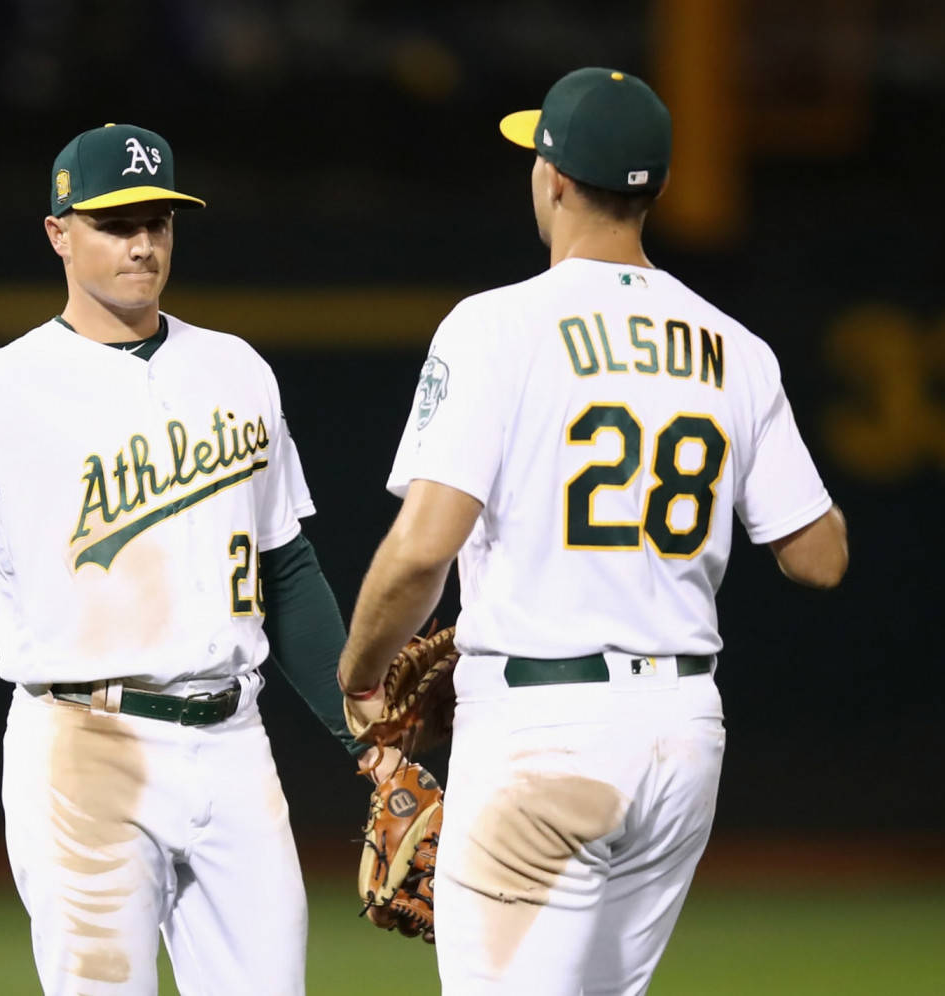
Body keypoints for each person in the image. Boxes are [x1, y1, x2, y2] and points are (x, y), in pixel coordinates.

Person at [0, 122, 383, 996]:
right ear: (58, 232)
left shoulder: (237, 369)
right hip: (84, 745)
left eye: (158, 221)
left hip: (236, 742)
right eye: (115, 223)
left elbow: (288, 569)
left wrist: (367, 737)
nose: (142, 243)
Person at [337, 68, 849, 994]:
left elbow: (422, 547)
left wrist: (362, 673)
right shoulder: (735, 347)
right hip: (683, 739)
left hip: (545, 734)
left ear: (555, 178)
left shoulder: (496, 326)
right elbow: (820, 556)